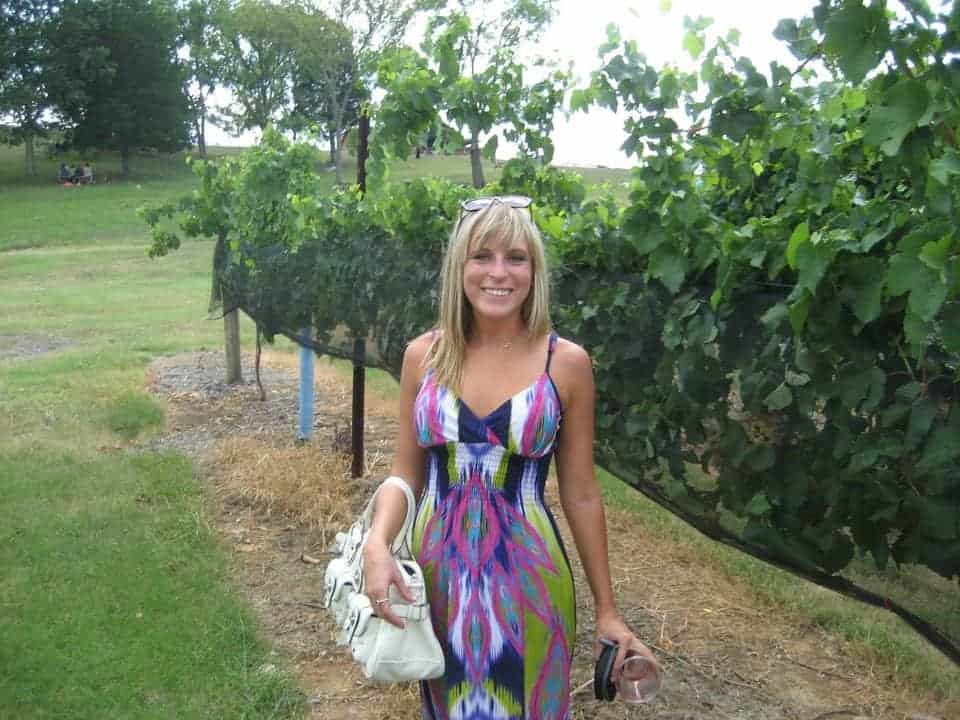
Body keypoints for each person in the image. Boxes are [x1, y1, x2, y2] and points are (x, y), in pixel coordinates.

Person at [362, 195, 656, 719]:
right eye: (482, 256)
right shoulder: (422, 357)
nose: (499, 272)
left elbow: (582, 494)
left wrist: (608, 611)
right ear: (460, 267)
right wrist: (377, 542)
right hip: (437, 581)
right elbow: (404, 475)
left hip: (532, 583)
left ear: (534, 270)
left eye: (516, 258)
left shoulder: (565, 364)